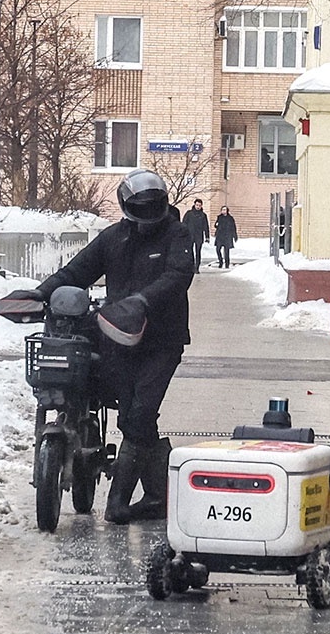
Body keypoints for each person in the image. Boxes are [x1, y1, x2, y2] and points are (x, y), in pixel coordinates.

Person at [11, 168, 194, 524]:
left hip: (162, 341)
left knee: (139, 416)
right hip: (118, 339)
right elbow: (76, 271)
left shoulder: (178, 234)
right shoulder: (114, 238)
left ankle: (117, 505)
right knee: (133, 418)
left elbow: (178, 276)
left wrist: (142, 301)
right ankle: (157, 497)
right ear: (127, 206)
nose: (146, 214)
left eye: (152, 205)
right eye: (139, 207)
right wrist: (42, 292)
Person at [182, 198, 210, 273]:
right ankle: (190, 266)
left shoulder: (203, 215)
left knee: (198, 252)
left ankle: (196, 267)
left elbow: (206, 226)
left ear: (201, 206)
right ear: (194, 204)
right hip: (190, 235)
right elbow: (184, 224)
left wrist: (207, 236)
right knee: (189, 252)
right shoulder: (189, 213)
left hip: (199, 236)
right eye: (197, 205)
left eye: (199, 205)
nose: (198, 207)